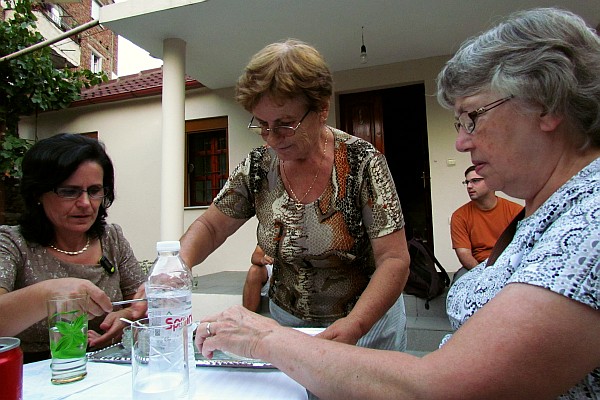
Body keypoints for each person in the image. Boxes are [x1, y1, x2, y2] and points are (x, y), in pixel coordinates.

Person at [194, 8, 600, 399]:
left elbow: (442, 386)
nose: (461, 141)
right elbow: (211, 225)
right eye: (263, 125)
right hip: (298, 325)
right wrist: (171, 267)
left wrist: (265, 338)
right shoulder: (553, 210)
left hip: (359, 336)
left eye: (473, 117)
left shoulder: (588, 227)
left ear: (547, 106)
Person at [180, 39, 410, 355]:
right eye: (263, 125)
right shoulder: (259, 166)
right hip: (286, 324)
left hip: (363, 327)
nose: (272, 138)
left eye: (285, 125)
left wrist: (356, 325)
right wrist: (177, 265)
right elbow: (211, 226)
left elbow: (394, 260)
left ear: (321, 109)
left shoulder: (362, 164)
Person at [0, 134, 147, 363]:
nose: (85, 203)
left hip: (107, 371)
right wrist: (50, 294)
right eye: (69, 191)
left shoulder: (111, 238)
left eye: (95, 190)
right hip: (29, 376)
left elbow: (142, 305)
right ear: (38, 193)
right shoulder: (12, 244)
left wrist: (126, 318)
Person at [450, 165, 522, 281]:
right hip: (477, 266)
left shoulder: (515, 211)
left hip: (509, 264)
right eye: (467, 182)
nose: (469, 186)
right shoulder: (459, 216)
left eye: (475, 181)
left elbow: (523, 247)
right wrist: (483, 274)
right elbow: (464, 253)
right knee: (459, 282)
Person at [242, 245, 273, 312]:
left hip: (295, 274)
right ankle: (248, 317)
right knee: (254, 270)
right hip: (274, 270)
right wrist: (262, 260)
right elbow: (256, 256)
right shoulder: (271, 234)